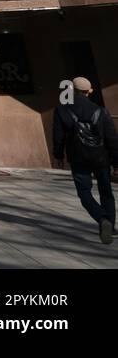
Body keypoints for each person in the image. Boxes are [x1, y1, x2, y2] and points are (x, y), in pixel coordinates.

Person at [53, 76, 118, 244]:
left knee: (84, 192)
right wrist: (116, 162)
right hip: (101, 158)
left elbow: (58, 137)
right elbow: (112, 138)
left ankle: (102, 218)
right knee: (106, 192)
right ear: (89, 91)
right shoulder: (101, 111)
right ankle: (110, 226)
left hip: (78, 158)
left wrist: (58, 156)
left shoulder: (62, 110)